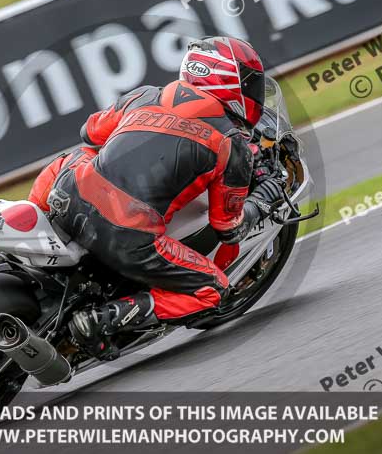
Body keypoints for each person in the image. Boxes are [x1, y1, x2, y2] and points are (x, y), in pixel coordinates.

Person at [28, 36, 287, 359]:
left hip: (67, 197)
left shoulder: (144, 95)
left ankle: (24, 231)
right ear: (228, 82)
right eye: (251, 84)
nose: (255, 93)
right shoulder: (232, 143)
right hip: (126, 235)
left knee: (77, 156)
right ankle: (100, 320)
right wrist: (263, 200)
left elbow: (91, 132)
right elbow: (228, 228)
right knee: (213, 289)